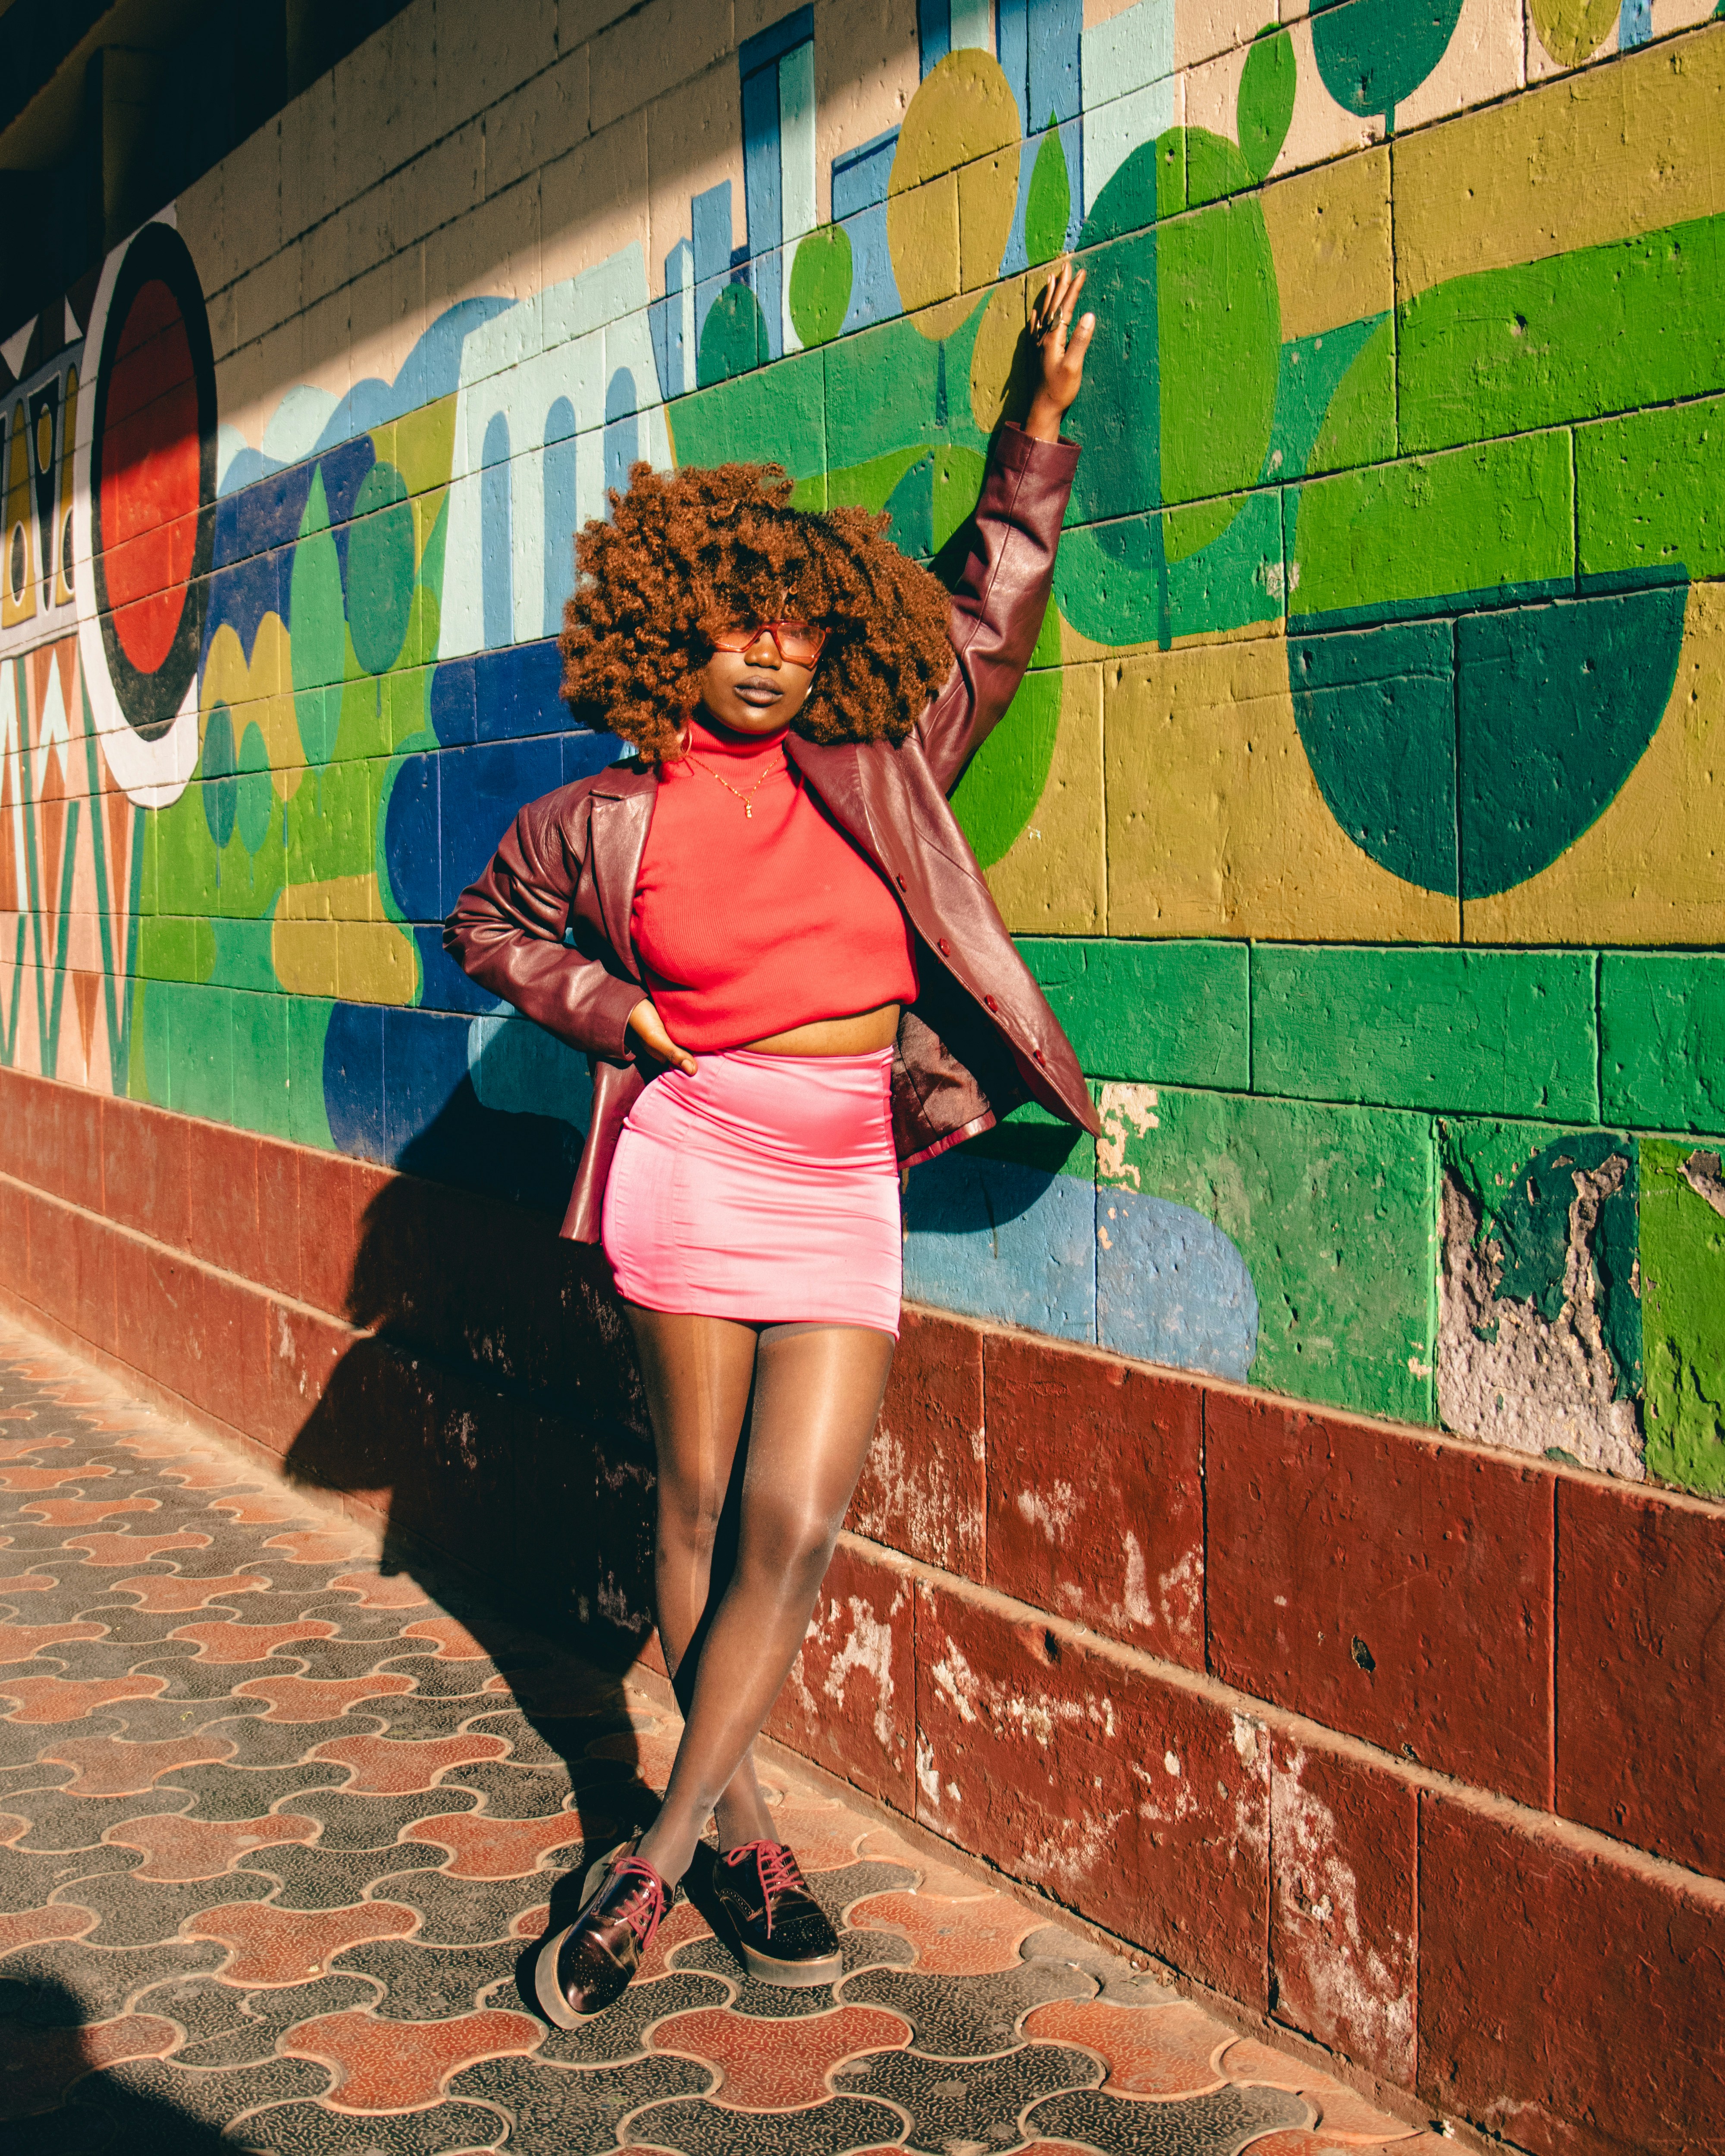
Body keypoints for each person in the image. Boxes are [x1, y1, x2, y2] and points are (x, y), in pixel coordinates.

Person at [445, 262, 1099, 2024]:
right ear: (679, 633)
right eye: (728, 619)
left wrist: (1029, 439)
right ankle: (733, 1835)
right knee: (693, 1503)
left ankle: (640, 1864)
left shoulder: (887, 757)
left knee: (793, 1522)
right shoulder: (610, 813)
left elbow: (985, 614)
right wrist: (612, 1011)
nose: (760, 645)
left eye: (790, 621)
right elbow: (489, 924)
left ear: (826, 638)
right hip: (690, 1155)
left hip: (836, 1174)